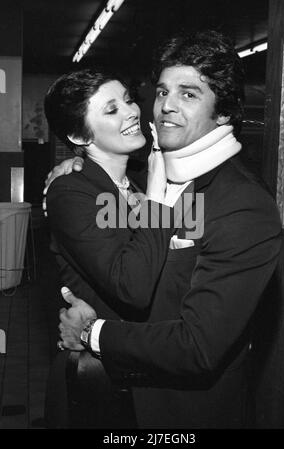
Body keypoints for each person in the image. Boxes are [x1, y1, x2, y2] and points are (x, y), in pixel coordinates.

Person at [56, 30, 281, 428]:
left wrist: (93, 332)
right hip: (118, 402)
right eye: (162, 92)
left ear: (224, 112)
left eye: (189, 94)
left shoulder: (244, 205)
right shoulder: (147, 175)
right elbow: (114, 241)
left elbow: (197, 347)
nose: (166, 107)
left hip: (184, 414)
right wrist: (71, 172)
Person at [44, 69, 183, 428]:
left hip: (147, 372)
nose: (131, 111)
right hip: (100, 381)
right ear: (78, 135)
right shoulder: (70, 192)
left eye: (128, 99)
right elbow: (133, 288)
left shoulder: (136, 181)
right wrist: (155, 199)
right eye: (111, 110)